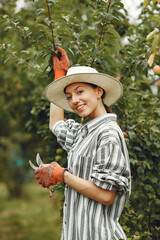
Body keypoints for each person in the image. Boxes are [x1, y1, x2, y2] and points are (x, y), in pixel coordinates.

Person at [35, 47, 131, 240]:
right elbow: (56, 124)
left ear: (98, 91)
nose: (74, 100)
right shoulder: (83, 133)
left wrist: (61, 174)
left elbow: (106, 196)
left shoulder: (108, 133)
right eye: (69, 96)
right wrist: (59, 74)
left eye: (80, 91)